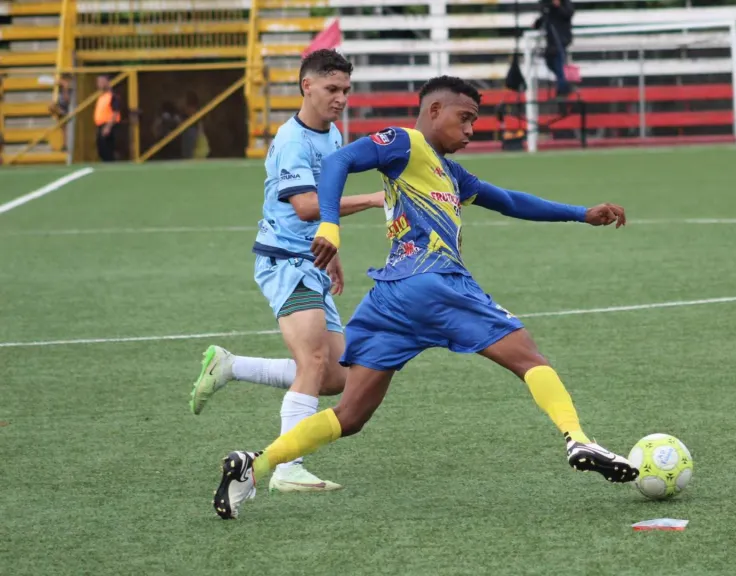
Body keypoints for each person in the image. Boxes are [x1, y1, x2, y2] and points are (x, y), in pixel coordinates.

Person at [211, 75, 636, 519]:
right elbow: (338, 161)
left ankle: (253, 467)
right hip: (435, 281)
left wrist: (581, 214)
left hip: (390, 300)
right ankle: (577, 439)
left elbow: (508, 200)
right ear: (434, 111)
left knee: (350, 415)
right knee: (530, 359)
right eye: (465, 118)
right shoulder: (405, 142)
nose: (471, 129)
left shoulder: (448, 172)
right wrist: (330, 225)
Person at [192, 49, 382, 494]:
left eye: (346, 91)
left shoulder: (332, 134)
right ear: (307, 86)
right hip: (283, 262)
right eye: (332, 89)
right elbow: (306, 205)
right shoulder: (293, 141)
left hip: (309, 258)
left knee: (336, 376)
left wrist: (330, 245)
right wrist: (373, 200)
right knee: (314, 361)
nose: (341, 99)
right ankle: (286, 466)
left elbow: (321, 209)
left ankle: (230, 366)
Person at [534, 0, 575, 96]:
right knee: (550, 62)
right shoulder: (549, 7)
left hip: (561, 39)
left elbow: (568, 14)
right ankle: (564, 85)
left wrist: (558, 6)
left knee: (559, 64)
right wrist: (537, 23)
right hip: (551, 41)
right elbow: (544, 17)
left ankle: (562, 90)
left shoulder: (565, 3)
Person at [93, 74, 121, 162]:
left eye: (101, 82)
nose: (99, 84)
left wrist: (108, 127)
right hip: (101, 125)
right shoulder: (101, 97)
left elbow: (115, 112)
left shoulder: (112, 96)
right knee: (101, 149)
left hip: (108, 125)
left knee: (107, 150)